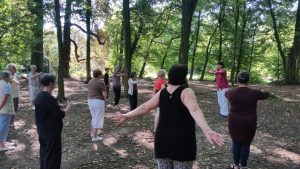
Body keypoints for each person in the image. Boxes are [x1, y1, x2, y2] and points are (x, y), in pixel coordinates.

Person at [113, 64, 224, 169]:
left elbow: (145, 107)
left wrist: (127, 115)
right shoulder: (186, 91)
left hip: (162, 140)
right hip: (182, 142)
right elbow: (194, 110)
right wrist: (207, 130)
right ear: (183, 77)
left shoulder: (162, 92)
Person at [225, 71, 269, 169]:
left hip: (234, 121)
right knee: (246, 143)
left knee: (235, 142)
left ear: (237, 79)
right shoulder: (255, 93)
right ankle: (243, 166)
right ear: (248, 80)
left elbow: (226, 94)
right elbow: (266, 94)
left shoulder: (230, 92)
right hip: (249, 121)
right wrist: (262, 89)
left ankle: (236, 165)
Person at [35, 74, 72, 169]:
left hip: (43, 130)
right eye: (54, 82)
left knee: (45, 153)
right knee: (52, 157)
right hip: (51, 132)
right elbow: (60, 115)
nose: (55, 84)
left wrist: (58, 106)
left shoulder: (40, 96)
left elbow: (46, 109)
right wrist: (68, 108)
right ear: (51, 83)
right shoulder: (48, 98)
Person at [88, 69, 107, 142]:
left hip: (90, 100)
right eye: (101, 74)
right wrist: (106, 100)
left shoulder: (90, 81)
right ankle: (95, 136)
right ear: (98, 75)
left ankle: (92, 133)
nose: (102, 75)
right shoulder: (100, 82)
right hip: (98, 101)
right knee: (98, 118)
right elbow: (104, 94)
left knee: (94, 117)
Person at [0, 71, 16, 151]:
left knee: (2, 126)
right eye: (9, 76)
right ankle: (2, 145)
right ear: (5, 77)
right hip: (5, 109)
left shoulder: (1, 83)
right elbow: (5, 98)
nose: (10, 78)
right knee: (3, 127)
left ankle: (3, 142)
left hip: (2, 110)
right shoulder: (6, 85)